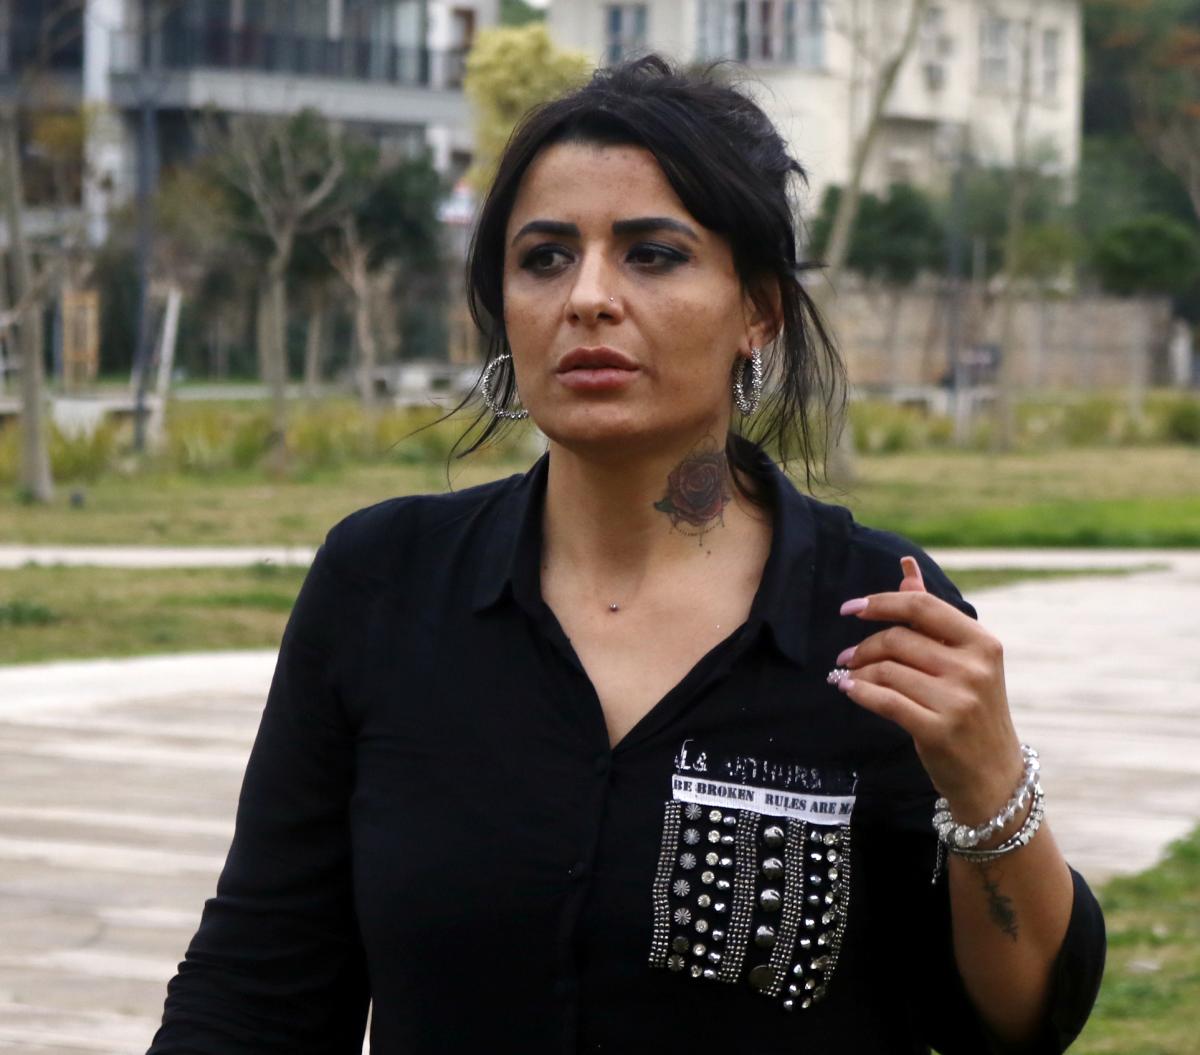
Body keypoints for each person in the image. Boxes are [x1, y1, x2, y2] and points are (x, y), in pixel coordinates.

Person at [147, 55, 1104, 1053]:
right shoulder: (384, 582)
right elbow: (260, 985)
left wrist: (990, 783)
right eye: (545, 258)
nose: (588, 297)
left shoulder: (874, 616)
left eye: (652, 254)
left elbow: (1017, 1019)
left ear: (758, 309)